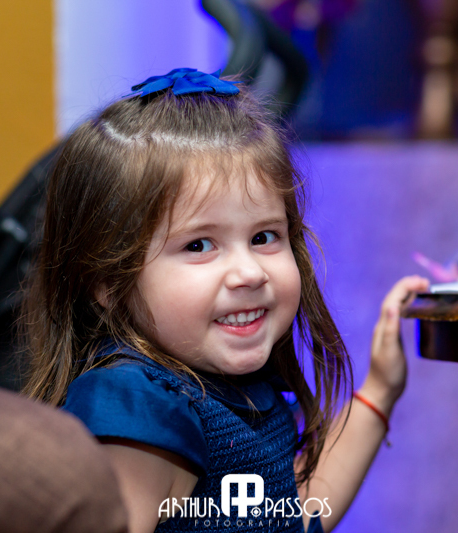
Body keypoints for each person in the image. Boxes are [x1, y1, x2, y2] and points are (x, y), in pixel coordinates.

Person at [21, 67, 428, 533]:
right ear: (109, 283)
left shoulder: (229, 385)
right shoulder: (139, 409)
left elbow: (291, 519)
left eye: (263, 237)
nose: (250, 272)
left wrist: (379, 389)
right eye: (199, 245)